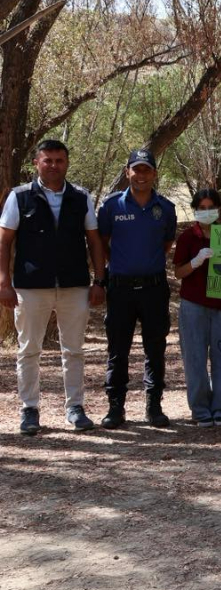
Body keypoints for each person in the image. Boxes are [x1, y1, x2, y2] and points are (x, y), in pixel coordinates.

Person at [0, 139, 106, 435]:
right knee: (29, 350)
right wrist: (4, 283)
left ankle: (75, 407)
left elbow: (94, 241)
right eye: (48, 160)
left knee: (73, 350)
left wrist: (99, 281)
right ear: (36, 163)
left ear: (67, 163)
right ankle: (29, 409)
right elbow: (4, 241)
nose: (54, 166)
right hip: (31, 287)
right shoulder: (20, 197)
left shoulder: (81, 197)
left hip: (74, 286)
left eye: (59, 160)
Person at [98, 149, 178, 428]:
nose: (141, 175)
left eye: (147, 170)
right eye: (136, 169)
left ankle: (154, 406)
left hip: (154, 289)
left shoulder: (166, 208)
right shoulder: (111, 206)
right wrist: (122, 266)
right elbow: (103, 244)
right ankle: (115, 408)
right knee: (117, 350)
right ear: (127, 171)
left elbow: (166, 245)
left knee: (155, 348)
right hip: (120, 290)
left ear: (154, 173)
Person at [173, 189, 221, 427]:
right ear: (195, 209)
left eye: (211, 207)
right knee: (195, 359)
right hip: (193, 306)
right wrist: (196, 261)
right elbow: (178, 272)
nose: (206, 211)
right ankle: (200, 410)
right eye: (202, 208)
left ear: (219, 209)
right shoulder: (188, 237)